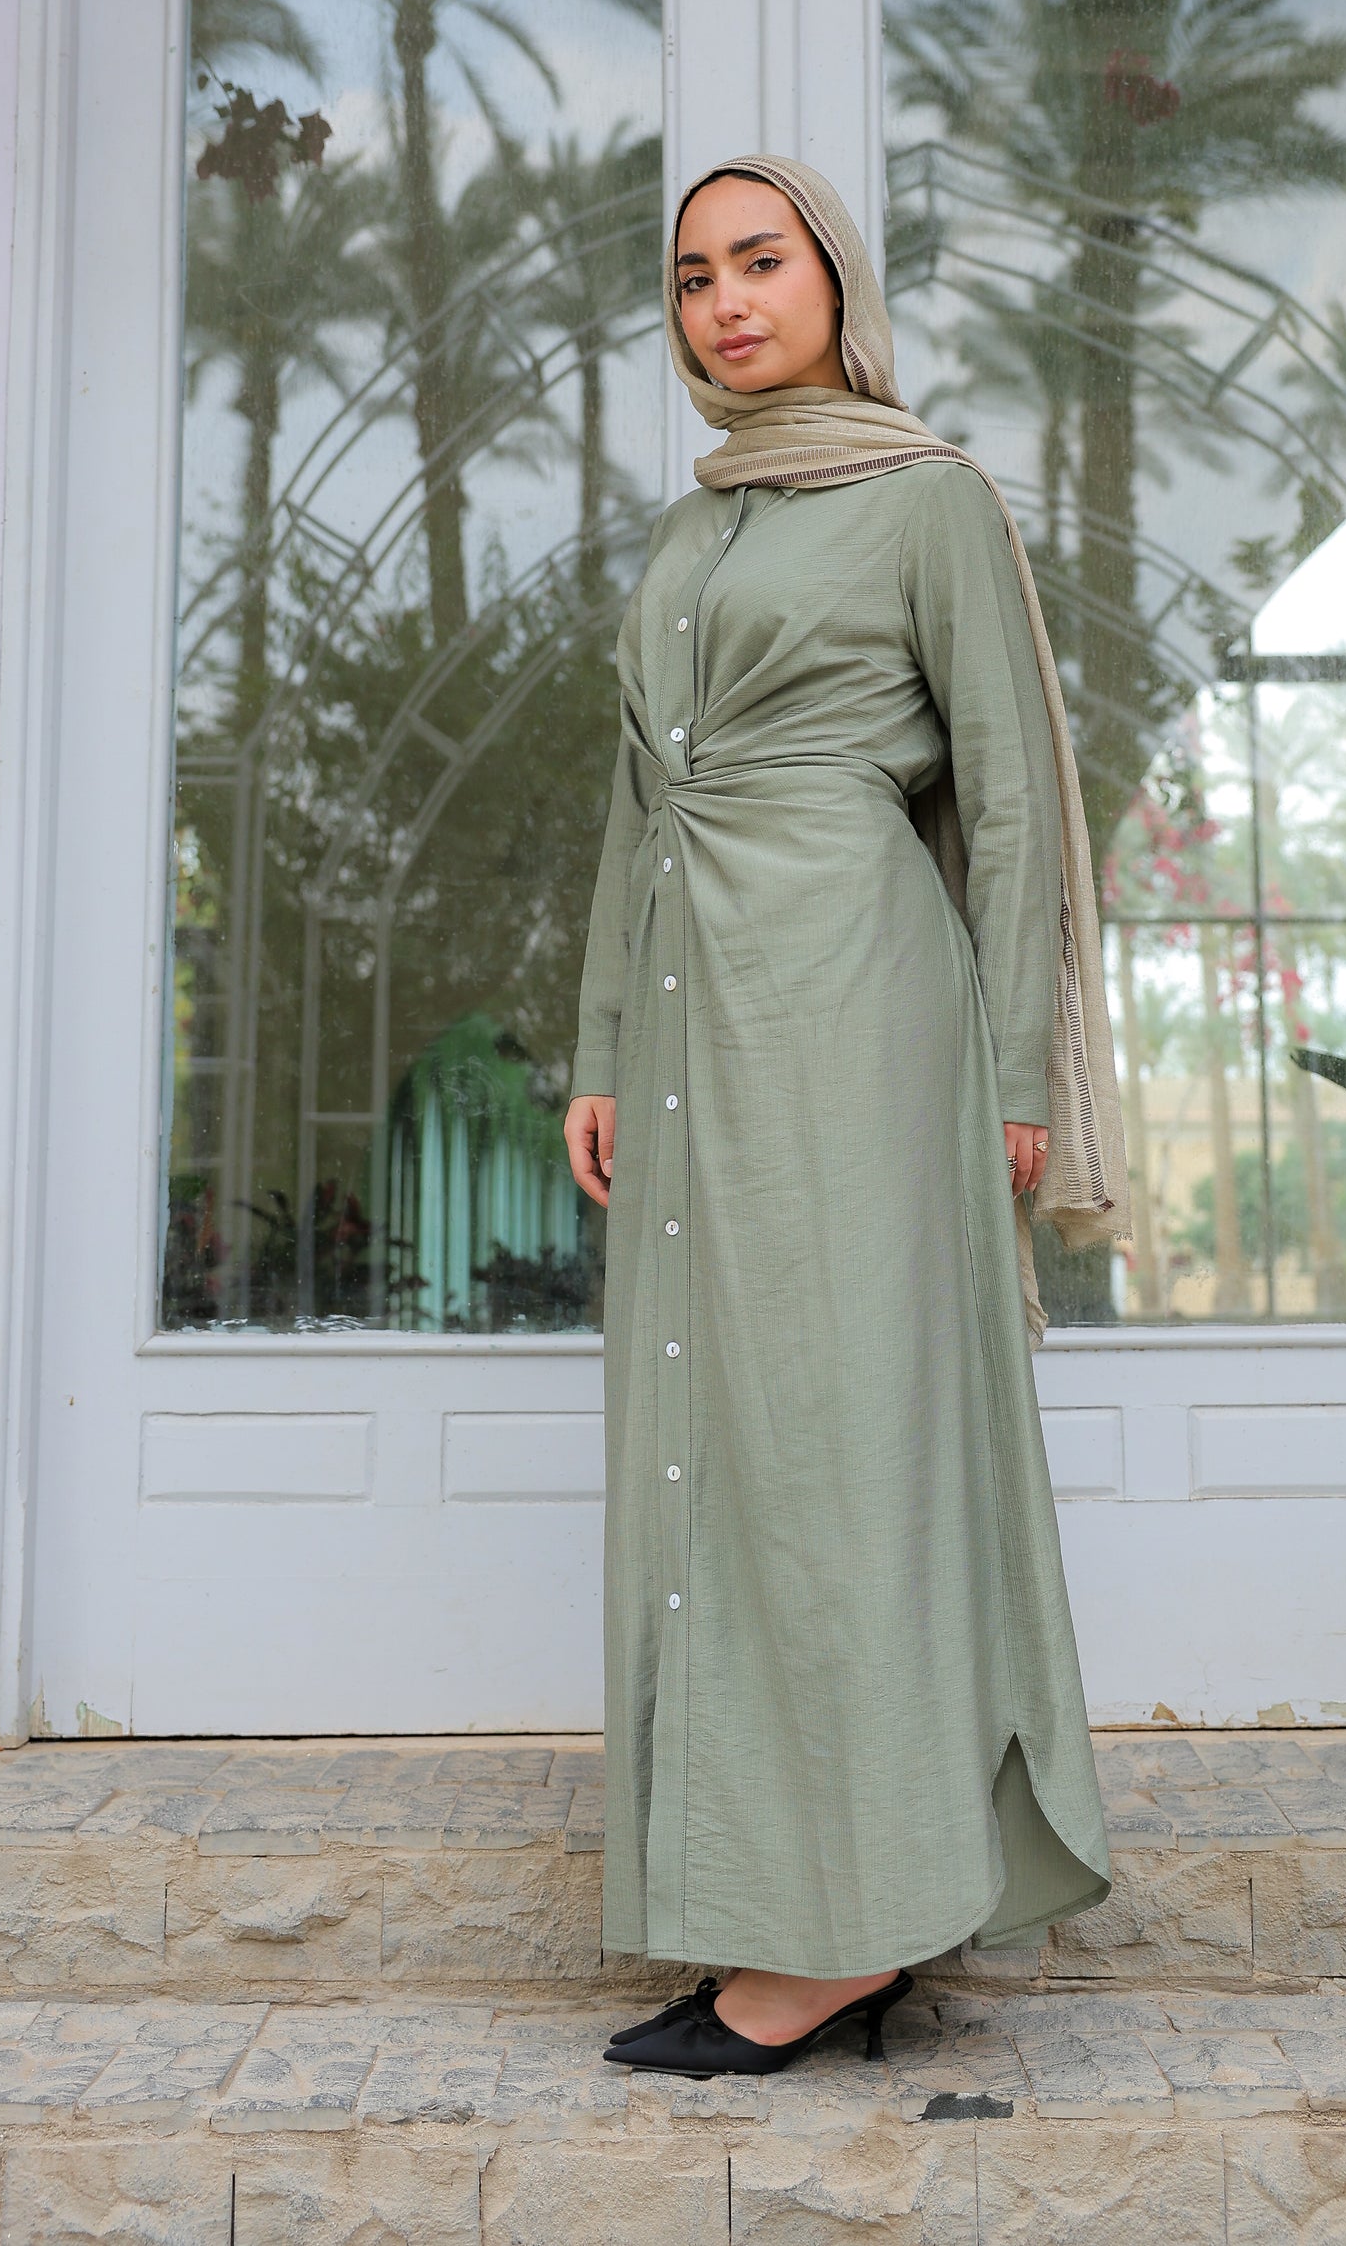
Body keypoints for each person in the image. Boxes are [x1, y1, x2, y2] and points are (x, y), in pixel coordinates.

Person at [563, 155, 1129, 2081]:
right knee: (712, 1457)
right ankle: (776, 1898)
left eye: (760, 262)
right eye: (690, 276)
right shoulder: (693, 523)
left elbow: (1012, 798)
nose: (724, 301)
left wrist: (1013, 1076)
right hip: (688, 1019)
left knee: (833, 1454)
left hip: (855, 1017)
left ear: (834, 283)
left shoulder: (925, 496)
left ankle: (848, 1936)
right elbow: (640, 799)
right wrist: (598, 1045)